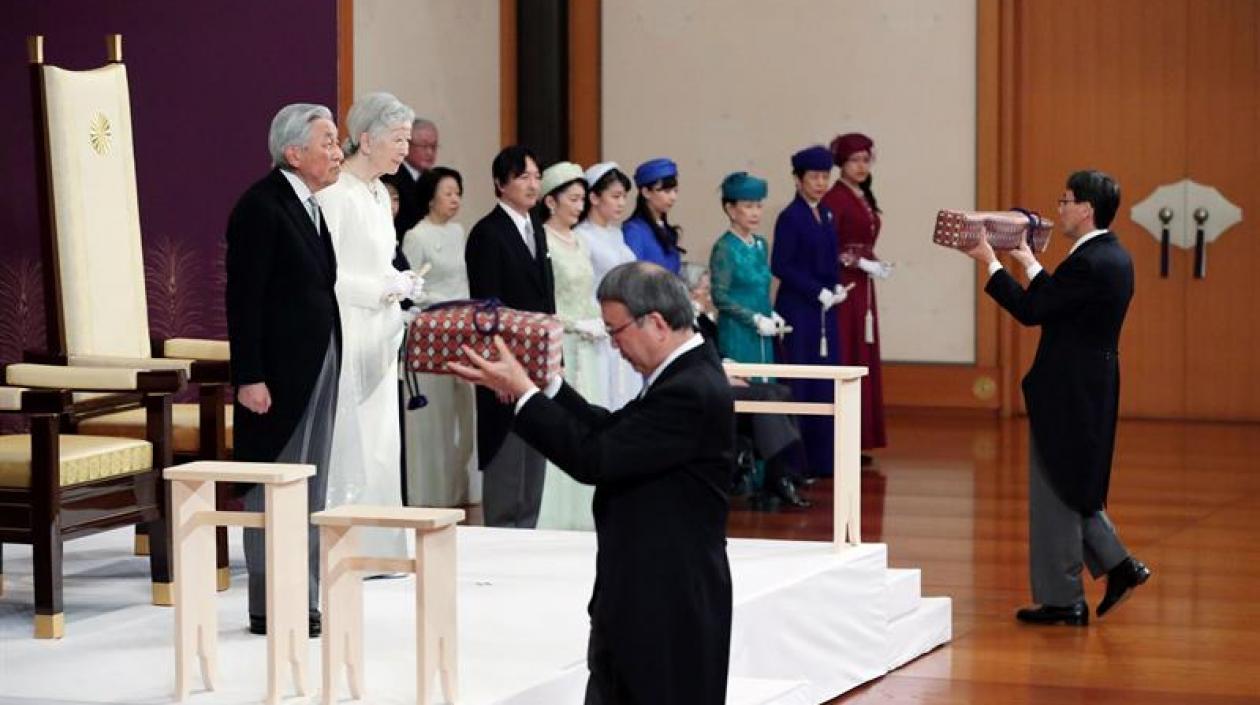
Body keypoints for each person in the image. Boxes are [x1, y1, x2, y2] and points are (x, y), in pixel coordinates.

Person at [448, 262, 733, 705]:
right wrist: (548, 386)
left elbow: (596, 457)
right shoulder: (686, 373)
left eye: (616, 331)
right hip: (643, 593)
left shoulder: (689, 389)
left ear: (656, 323)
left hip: (666, 600)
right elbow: (612, 430)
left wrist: (524, 394)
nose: (614, 345)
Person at [963, 169, 1150, 626]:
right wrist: (1028, 261)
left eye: (1065, 201)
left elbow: (1034, 311)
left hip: (1069, 385)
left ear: (1086, 208)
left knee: (1055, 488)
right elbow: (1060, 304)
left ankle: (1066, 600)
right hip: (1089, 380)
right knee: (1071, 480)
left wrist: (989, 262)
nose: (1060, 208)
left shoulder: (1089, 262)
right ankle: (1119, 566)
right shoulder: (1111, 255)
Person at [225, 103, 343, 637]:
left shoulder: (310, 206)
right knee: (275, 485)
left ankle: (304, 597)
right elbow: (243, 300)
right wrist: (249, 375)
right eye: (327, 141)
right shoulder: (261, 206)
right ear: (294, 152)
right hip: (277, 377)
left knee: (310, 488)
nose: (337, 152)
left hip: (317, 362)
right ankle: (272, 603)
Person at [317, 92, 422, 560]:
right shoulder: (337, 194)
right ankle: (345, 549)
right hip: (349, 330)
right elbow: (329, 275)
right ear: (366, 138)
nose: (405, 149)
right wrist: (382, 287)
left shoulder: (380, 194)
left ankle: (380, 546)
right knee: (352, 438)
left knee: (382, 441)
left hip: (381, 332)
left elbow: (380, 261)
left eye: (407, 139)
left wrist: (401, 283)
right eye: (398, 139)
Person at [464, 145, 555, 528]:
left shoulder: (536, 228)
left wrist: (553, 356)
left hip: (537, 359)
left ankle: (528, 531)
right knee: (506, 450)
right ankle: (501, 532)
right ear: (501, 184)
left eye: (537, 177)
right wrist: (497, 366)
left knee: (535, 449)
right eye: (523, 177)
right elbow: (486, 309)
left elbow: (546, 299)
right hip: (504, 361)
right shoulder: (487, 233)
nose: (533, 185)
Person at [683, 262, 811, 509]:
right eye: (704, 289)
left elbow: (714, 353)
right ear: (689, 292)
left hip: (720, 375)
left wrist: (729, 365)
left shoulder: (704, 320)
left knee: (781, 392)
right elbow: (694, 361)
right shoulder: (685, 324)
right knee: (766, 399)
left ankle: (780, 469)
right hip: (706, 385)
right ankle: (777, 477)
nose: (709, 295)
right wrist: (723, 374)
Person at [534, 161, 606, 530]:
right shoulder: (542, 240)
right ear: (551, 201)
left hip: (588, 342)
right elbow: (545, 301)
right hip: (562, 341)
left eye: (581, 199)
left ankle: (586, 506)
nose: (579, 206)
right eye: (573, 199)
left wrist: (597, 320)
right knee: (562, 416)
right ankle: (557, 512)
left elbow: (585, 292)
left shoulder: (580, 241)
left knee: (587, 416)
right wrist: (575, 324)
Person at [400, 166, 476, 508]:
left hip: (463, 327)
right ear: (431, 198)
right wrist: (436, 303)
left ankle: (460, 489)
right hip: (431, 330)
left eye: (458, 193)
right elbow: (412, 287)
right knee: (435, 414)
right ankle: (430, 495)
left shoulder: (459, 232)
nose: (455, 199)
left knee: (463, 412)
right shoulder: (417, 236)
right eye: (448, 193)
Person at [771, 145, 846, 477]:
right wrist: (816, 290)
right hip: (799, 311)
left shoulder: (826, 213)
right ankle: (796, 464)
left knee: (825, 382)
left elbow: (831, 258)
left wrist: (837, 286)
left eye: (825, 177)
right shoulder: (790, 217)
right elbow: (781, 265)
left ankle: (823, 459)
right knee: (802, 382)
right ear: (798, 180)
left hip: (825, 312)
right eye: (814, 177)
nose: (820, 183)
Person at [822, 132, 889, 458]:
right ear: (841, 163)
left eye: (865, 160)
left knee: (862, 350)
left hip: (863, 285)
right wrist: (857, 261)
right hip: (844, 286)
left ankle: (859, 436)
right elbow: (828, 246)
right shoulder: (835, 198)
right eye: (854, 161)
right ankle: (842, 439)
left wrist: (873, 263)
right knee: (849, 351)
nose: (861, 166)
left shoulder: (862, 195)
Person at [575, 162, 641, 408]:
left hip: (625, 321)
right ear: (594, 197)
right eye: (615, 196)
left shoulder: (616, 234)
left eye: (624, 197)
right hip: (599, 325)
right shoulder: (582, 236)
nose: (621, 203)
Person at [709, 172, 780, 366]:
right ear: (731, 209)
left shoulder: (761, 245)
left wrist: (771, 313)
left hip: (763, 330)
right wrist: (753, 318)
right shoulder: (724, 247)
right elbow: (719, 297)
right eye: (748, 206)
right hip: (737, 332)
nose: (755, 213)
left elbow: (761, 287)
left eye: (759, 206)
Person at [382, 117, 440, 242]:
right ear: (407, 145)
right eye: (424, 146)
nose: (429, 152)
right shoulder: (391, 176)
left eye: (434, 146)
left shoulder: (435, 179)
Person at [622, 158, 684, 274]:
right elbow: (633, 275)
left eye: (675, 191)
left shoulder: (666, 230)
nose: (673, 197)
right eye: (666, 191)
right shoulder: (634, 231)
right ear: (646, 192)